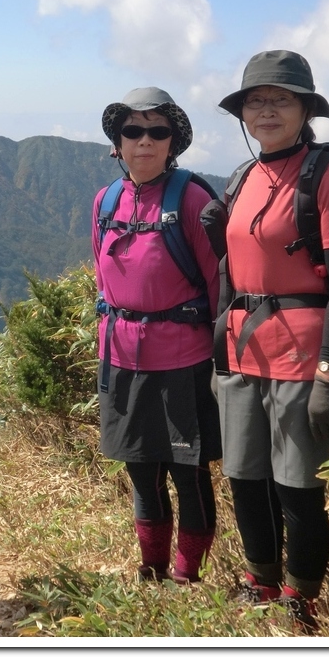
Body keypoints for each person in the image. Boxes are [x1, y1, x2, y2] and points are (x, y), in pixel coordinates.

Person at [215, 50, 329, 632]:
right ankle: (261, 582)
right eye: (256, 100)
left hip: (303, 353)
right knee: (246, 476)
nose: (267, 110)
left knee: (297, 483)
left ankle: (302, 601)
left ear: (306, 109)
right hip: (240, 348)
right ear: (243, 113)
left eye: (282, 99)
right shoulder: (244, 177)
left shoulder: (327, 177)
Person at [94, 87, 222, 584]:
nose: (144, 141)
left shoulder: (192, 198)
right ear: (117, 143)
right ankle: (151, 570)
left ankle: (187, 577)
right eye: (133, 130)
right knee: (140, 469)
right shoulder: (105, 201)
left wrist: (222, 359)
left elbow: (218, 282)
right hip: (122, 356)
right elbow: (104, 280)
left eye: (157, 131)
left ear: (173, 142)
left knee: (187, 474)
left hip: (184, 359)